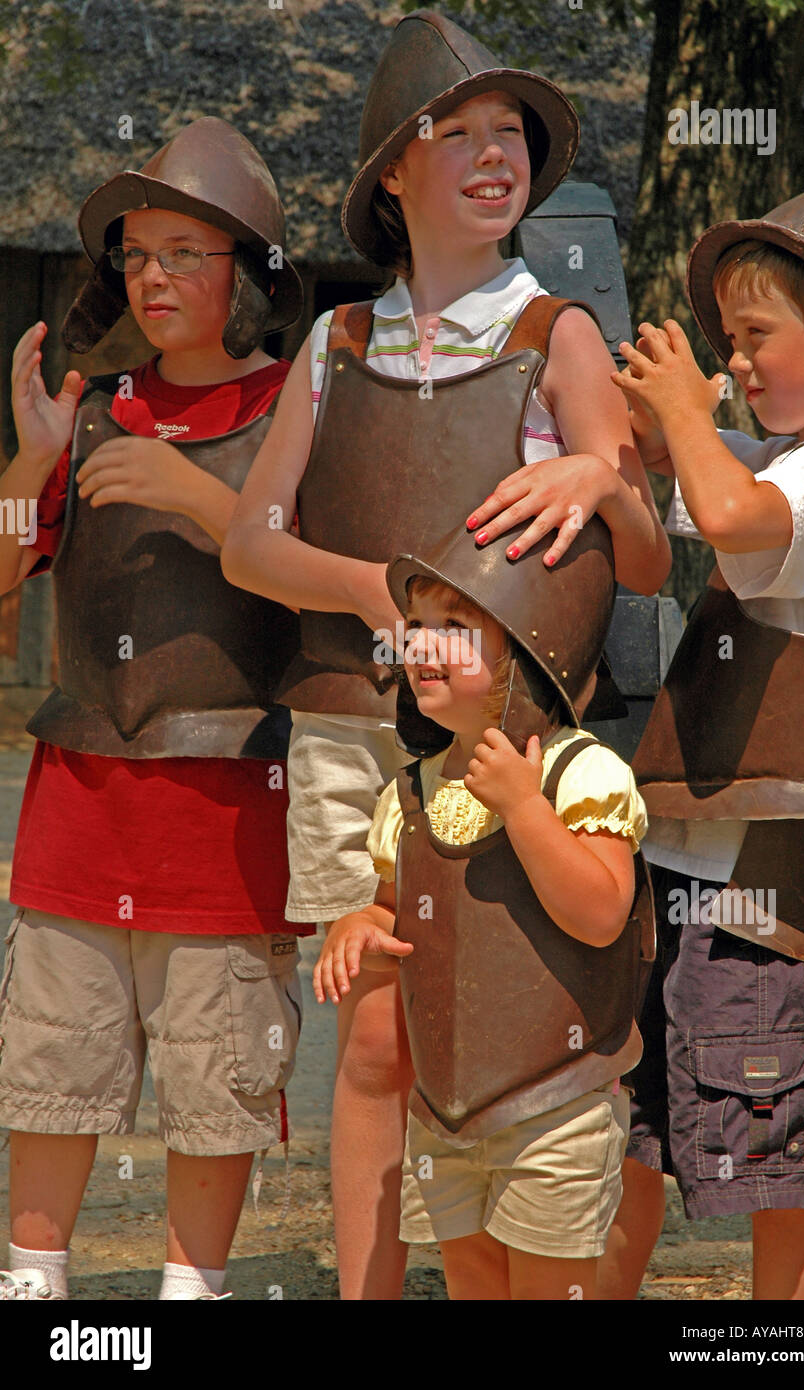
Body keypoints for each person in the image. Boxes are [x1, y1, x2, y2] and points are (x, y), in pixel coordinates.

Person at [222, 9, 669, 1300]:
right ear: (391, 177)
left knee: (515, 1024)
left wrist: (601, 467)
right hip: (355, 732)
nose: (493, 154)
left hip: (505, 745)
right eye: (454, 133)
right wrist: (384, 596)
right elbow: (253, 542)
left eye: (508, 134)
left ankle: (522, 1270)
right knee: (373, 1037)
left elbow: (640, 559)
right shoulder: (336, 343)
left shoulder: (556, 337)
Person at [0, 118, 306, 1301]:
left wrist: (193, 490)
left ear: (249, 273)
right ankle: (36, 1283)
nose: (155, 277)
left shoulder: (299, 404)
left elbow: (330, 580)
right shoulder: (89, 409)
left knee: (213, 1069)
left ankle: (195, 1288)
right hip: (78, 805)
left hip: (229, 811)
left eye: (186, 251)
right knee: (51, 1053)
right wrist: (30, 469)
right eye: (135, 254)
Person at [604, 177, 804, 1301]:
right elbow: (697, 484)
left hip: (768, 892)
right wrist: (657, 433)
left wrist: (689, 423)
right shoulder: (777, 455)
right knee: (638, 1131)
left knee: (773, 1164)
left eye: (754, 336)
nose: (737, 362)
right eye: (725, 344)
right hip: (701, 870)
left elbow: (732, 517)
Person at [313, 519, 651, 1300]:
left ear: (533, 653)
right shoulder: (411, 791)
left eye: (456, 630)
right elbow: (403, 910)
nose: (422, 647)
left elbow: (602, 915)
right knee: (472, 1282)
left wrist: (525, 811)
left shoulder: (578, 771)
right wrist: (362, 924)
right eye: (419, 628)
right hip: (445, 1114)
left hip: (556, 1105)